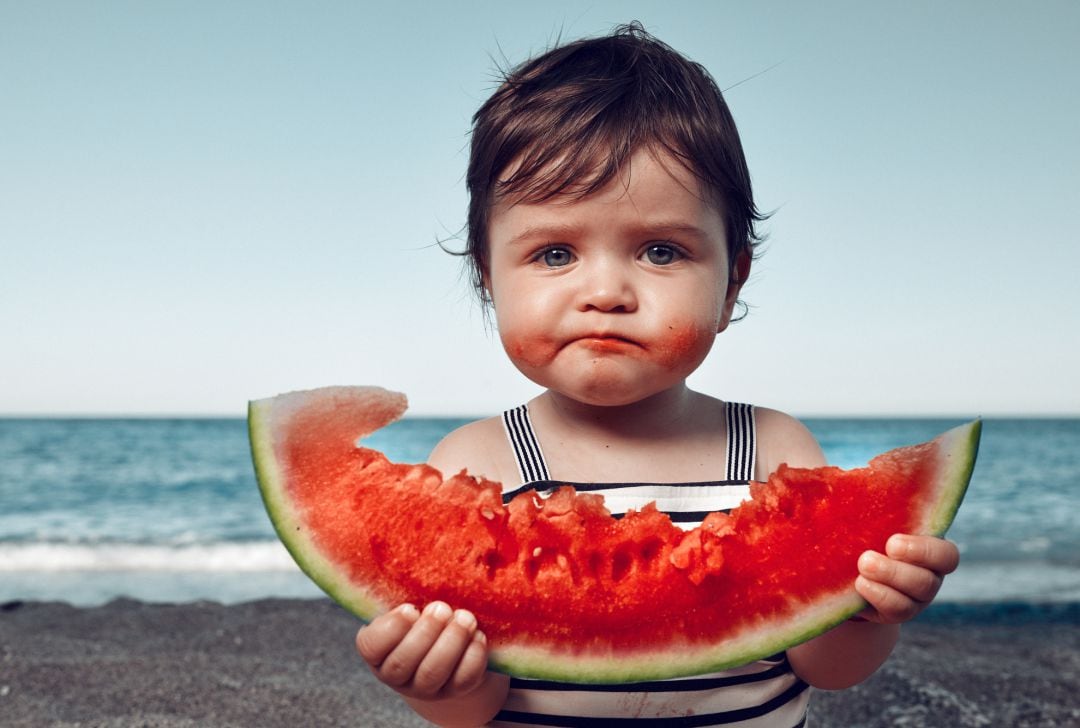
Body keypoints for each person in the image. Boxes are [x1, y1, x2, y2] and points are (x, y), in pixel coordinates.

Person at [355, 23, 960, 727]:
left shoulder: (771, 448)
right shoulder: (475, 465)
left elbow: (826, 670)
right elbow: (473, 711)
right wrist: (435, 680)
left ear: (731, 284)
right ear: (489, 279)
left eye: (662, 251)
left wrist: (863, 613)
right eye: (554, 254)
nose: (606, 291)